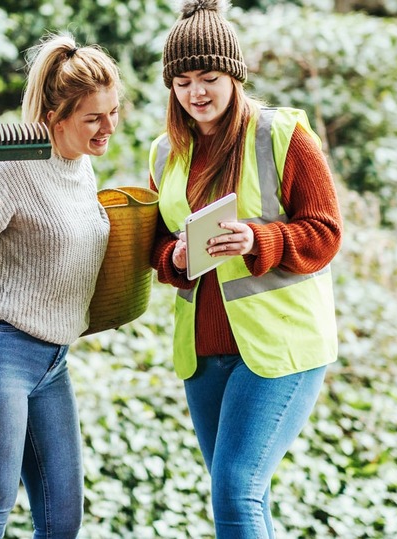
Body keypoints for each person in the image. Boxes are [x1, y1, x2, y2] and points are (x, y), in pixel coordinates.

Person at [145, 0, 343, 537]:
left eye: (208, 77)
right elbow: (159, 246)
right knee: (245, 496)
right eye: (182, 82)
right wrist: (175, 258)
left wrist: (258, 238)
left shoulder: (282, 135)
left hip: (280, 349)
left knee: (235, 491)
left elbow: (326, 232)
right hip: (204, 355)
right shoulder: (166, 153)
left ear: (234, 74)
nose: (196, 93)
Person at [0, 32, 123, 539]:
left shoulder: (79, 167)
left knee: (62, 521)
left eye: (114, 112)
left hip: (53, 363)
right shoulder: (12, 167)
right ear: (56, 118)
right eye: (93, 118)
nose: (108, 128)